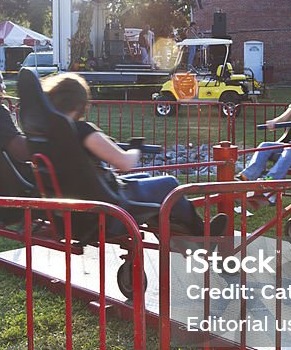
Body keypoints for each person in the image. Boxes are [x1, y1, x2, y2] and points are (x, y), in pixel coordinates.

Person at [41, 73, 227, 237]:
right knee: (168, 183)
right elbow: (124, 163)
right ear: (81, 104)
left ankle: (174, 227)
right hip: (106, 209)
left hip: (72, 210)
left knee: (145, 177)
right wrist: (135, 149)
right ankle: (202, 233)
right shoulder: (81, 131)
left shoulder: (46, 135)